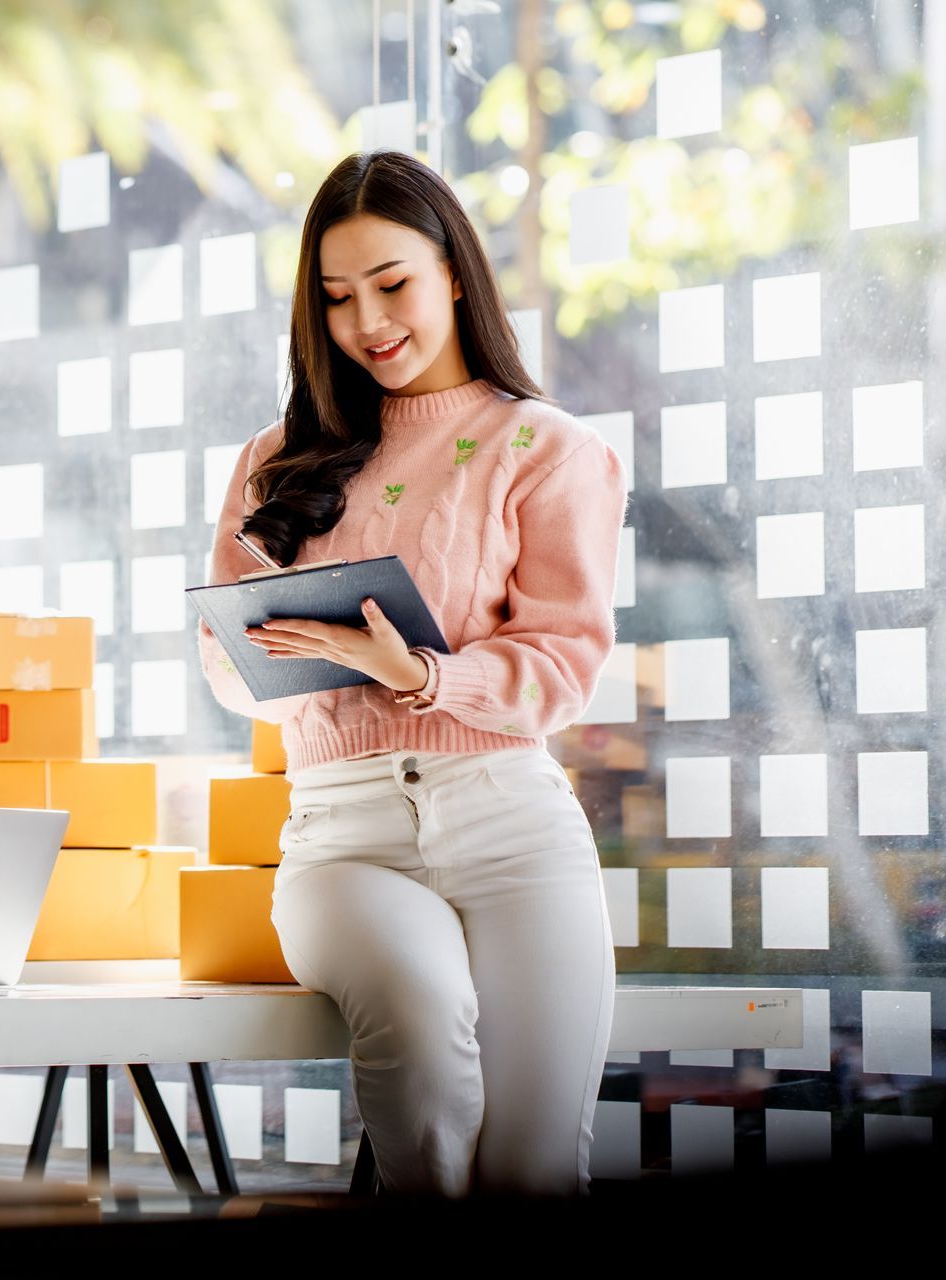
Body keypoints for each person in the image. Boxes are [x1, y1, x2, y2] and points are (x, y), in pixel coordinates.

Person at [198, 150, 626, 1195]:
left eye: (392, 284)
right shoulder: (274, 458)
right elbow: (223, 666)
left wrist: (421, 675)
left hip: (512, 823)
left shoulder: (548, 449)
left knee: (534, 1162)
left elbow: (565, 660)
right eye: (337, 298)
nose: (368, 321)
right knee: (426, 1049)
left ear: (454, 273)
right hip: (345, 838)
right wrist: (265, 652)